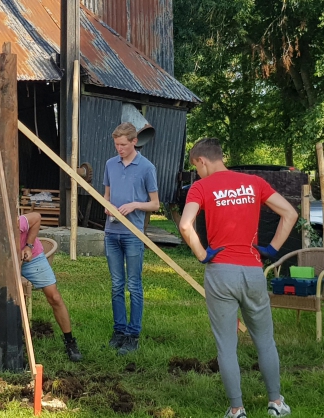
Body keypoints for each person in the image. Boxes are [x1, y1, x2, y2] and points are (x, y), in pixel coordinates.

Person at [178, 137, 297, 418]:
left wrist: (202, 253)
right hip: (253, 270)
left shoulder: (200, 187)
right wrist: (272, 249)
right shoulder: (254, 183)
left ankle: (236, 408)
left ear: (201, 161)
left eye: (197, 168)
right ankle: (276, 403)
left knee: (226, 345)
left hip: (221, 272)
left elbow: (185, 225)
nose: (197, 173)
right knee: (265, 340)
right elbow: (289, 213)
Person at [0, 212, 82, 362]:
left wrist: (29, 246)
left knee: (54, 297)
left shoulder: (10, 225)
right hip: (3, 260)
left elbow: (36, 217)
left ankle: (70, 342)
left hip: (31, 258)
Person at [102, 122, 159, 355]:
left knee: (134, 285)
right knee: (117, 285)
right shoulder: (110, 164)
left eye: (123, 145)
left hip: (133, 234)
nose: (119, 149)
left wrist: (135, 204)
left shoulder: (146, 168)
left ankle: (133, 334)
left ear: (134, 142)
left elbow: (155, 204)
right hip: (111, 232)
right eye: (116, 144)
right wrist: (107, 207)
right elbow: (106, 196)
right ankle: (119, 331)